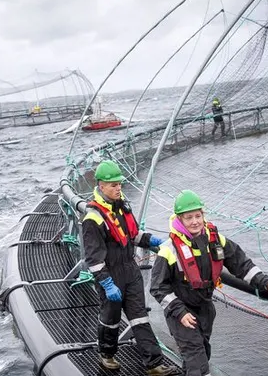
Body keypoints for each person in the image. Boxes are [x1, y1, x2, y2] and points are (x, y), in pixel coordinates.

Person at [150, 190, 268, 376]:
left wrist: (264, 281)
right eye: (188, 217)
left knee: (201, 353)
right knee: (196, 359)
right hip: (181, 312)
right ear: (179, 219)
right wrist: (179, 311)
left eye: (198, 216)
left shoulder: (215, 240)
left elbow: (240, 263)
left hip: (205, 308)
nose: (195, 221)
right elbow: (158, 287)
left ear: (203, 215)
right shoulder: (168, 250)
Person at [82, 160, 177, 375]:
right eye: (113, 185)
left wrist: (155, 242)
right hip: (111, 275)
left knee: (140, 316)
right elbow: (94, 259)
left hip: (130, 271)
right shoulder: (92, 218)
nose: (118, 189)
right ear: (101, 185)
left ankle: (153, 364)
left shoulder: (122, 206)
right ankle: (106, 354)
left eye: (119, 185)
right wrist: (107, 284)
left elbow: (133, 235)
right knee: (110, 319)